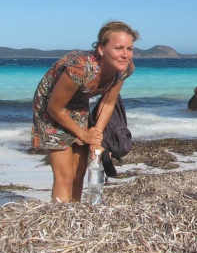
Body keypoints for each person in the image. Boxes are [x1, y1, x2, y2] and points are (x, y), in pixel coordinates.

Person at [31, 21, 139, 203]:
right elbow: (55, 108)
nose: (125, 54)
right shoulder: (81, 68)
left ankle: (75, 213)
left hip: (79, 102)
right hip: (50, 104)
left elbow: (108, 102)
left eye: (129, 48)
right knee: (65, 174)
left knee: (79, 171)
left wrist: (96, 133)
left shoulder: (124, 69)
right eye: (119, 48)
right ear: (101, 49)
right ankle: (61, 218)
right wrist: (83, 134)